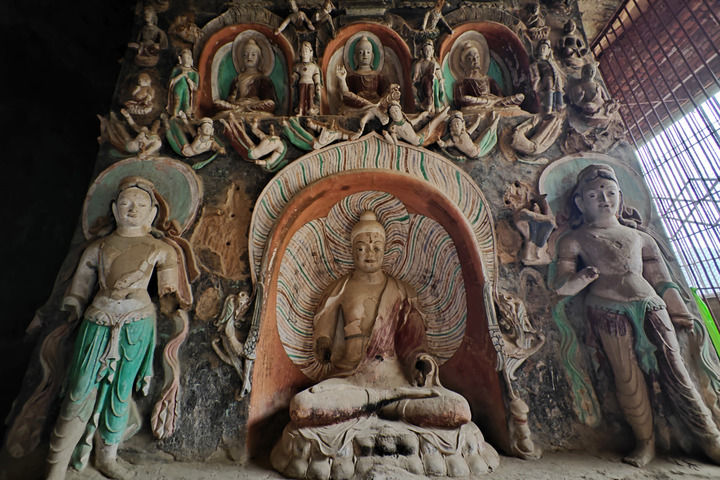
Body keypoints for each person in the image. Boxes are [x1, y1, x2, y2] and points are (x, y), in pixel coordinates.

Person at [554, 164, 720, 467]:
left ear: (620, 195)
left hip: (651, 305)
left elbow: (661, 279)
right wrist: (580, 278)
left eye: (610, 193)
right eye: (594, 195)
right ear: (579, 202)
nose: (604, 200)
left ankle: (709, 437)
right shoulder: (575, 239)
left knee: (677, 369)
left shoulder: (640, 237)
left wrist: (678, 309)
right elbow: (561, 286)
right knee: (626, 376)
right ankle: (645, 442)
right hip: (607, 309)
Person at [46, 177, 184, 480]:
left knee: (121, 391)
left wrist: (171, 300)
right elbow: (80, 286)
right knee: (79, 388)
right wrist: (74, 303)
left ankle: (108, 456)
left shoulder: (161, 250)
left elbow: (169, 292)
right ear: (113, 209)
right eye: (125, 203)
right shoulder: (98, 248)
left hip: (136, 324)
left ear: (152, 214)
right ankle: (56, 463)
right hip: (97, 320)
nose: (133, 209)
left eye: (141, 205)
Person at [289, 211, 471, 429]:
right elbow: (324, 328)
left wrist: (421, 361)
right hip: (350, 382)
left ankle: (370, 409)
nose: (370, 253)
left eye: (376, 248)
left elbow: (414, 344)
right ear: (351, 250)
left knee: (457, 408)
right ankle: (376, 407)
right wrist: (323, 344)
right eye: (361, 248)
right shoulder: (341, 289)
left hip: (395, 383)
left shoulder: (402, 291)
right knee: (303, 406)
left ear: (385, 250)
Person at [453, 41, 524, 113]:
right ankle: (494, 105)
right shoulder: (462, 82)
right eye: (470, 59)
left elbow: (500, 96)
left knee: (520, 96)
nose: (475, 60)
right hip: (479, 102)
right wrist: (485, 101)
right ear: (463, 64)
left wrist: (494, 100)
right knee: (466, 98)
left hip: (494, 101)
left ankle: (495, 105)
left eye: (477, 57)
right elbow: (460, 100)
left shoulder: (488, 79)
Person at [216, 38, 276, 113]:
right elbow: (231, 98)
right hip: (237, 105)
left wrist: (250, 104)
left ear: (259, 58)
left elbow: (269, 100)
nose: (249, 57)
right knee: (218, 103)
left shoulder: (263, 79)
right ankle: (241, 109)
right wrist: (232, 99)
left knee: (270, 104)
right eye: (245, 55)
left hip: (254, 106)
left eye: (253, 55)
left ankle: (243, 109)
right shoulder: (237, 79)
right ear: (241, 59)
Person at [411, 39, 446, 113]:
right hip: (424, 83)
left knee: (433, 91)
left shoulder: (434, 63)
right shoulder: (419, 64)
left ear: (432, 51)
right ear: (423, 51)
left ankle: (435, 107)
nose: (428, 52)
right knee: (427, 89)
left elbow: (439, 75)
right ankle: (427, 105)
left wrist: (440, 81)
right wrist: (414, 81)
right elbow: (416, 76)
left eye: (429, 50)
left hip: (433, 82)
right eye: (426, 50)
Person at [167, 48, 198, 120]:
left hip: (187, 90)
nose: (186, 60)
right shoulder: (177, 69)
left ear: (191, 59)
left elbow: (195, 87)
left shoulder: (194, 73)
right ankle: (175, 114)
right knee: (177, 100)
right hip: (178, 88)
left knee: (186, 102)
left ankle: (188, 115)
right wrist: (181, 75)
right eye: (184, 58)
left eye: (188, 58)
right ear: (180, 59)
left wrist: (188, 78)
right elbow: (171, 82)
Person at [292, 42, 322, 116]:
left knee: (310, 96)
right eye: (303, 51)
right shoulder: (298, 66)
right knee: (301, 97)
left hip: (311, 83)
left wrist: (317, 84)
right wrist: (293, 78)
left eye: (306, 50)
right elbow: (296, 75)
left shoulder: (314, 66)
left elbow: (316, 75)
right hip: (301, 83)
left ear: (311, 53)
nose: (305, 52)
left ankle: (311, 108)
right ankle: (300, 110)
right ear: (300, 53)